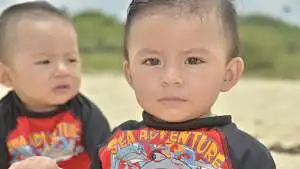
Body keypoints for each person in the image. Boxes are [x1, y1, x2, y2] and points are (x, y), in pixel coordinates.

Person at [91, 0, 276, 168]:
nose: (171, 77)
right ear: (130, 74)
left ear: (228, 74)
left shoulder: (246, 156)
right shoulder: (114, 145)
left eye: (193, 60)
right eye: (152, 61)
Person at [0, 1, 111, 169]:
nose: (63, 70)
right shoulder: (4, 119)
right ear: (6, 76)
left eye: (71, 59)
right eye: (45, 61)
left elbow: (108, 161)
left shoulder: (87, 114)